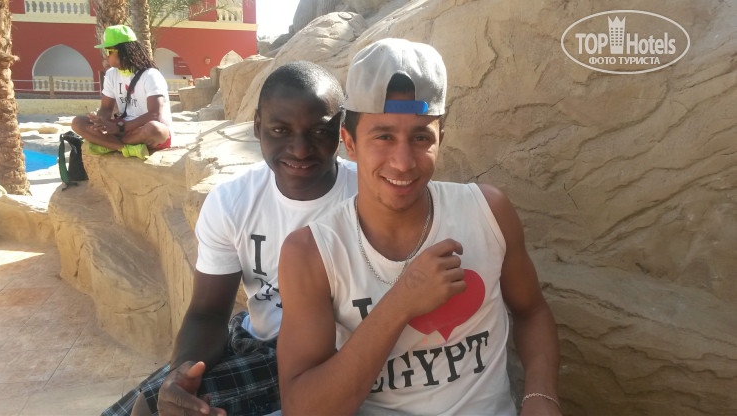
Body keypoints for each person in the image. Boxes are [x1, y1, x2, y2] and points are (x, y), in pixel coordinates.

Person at [277, 38, 562, 415]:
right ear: (350, 142)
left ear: (441, 139)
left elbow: (532, 311)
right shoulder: (312, 253)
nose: (403, 161)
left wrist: (541, 395)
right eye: (383, 136)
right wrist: (401, 302)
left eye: (421, 137)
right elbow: (302, 408)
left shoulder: (488, 213)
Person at [102, 61, 358, 416]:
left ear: (341, 131)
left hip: (338, 354)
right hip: (257, 343)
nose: (300, 149)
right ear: (257, 126)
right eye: (280, 130)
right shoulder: (232, 202)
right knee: (159, 404)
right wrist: (182, 377)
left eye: (318, 131)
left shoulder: (369, 197)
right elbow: (208, 313)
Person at [72, 25, 173, 160]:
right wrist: (101, 122)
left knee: (155, 129)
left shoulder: (151, 75)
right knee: (78, 122)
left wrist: (119, 128)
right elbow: (106, 108)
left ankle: (109, 144)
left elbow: (154, 115)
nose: (105, 56)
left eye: (108, 51)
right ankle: (124, 148)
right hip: (125, 128)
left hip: (144, 129)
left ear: (124, 51)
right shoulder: (111, 74)